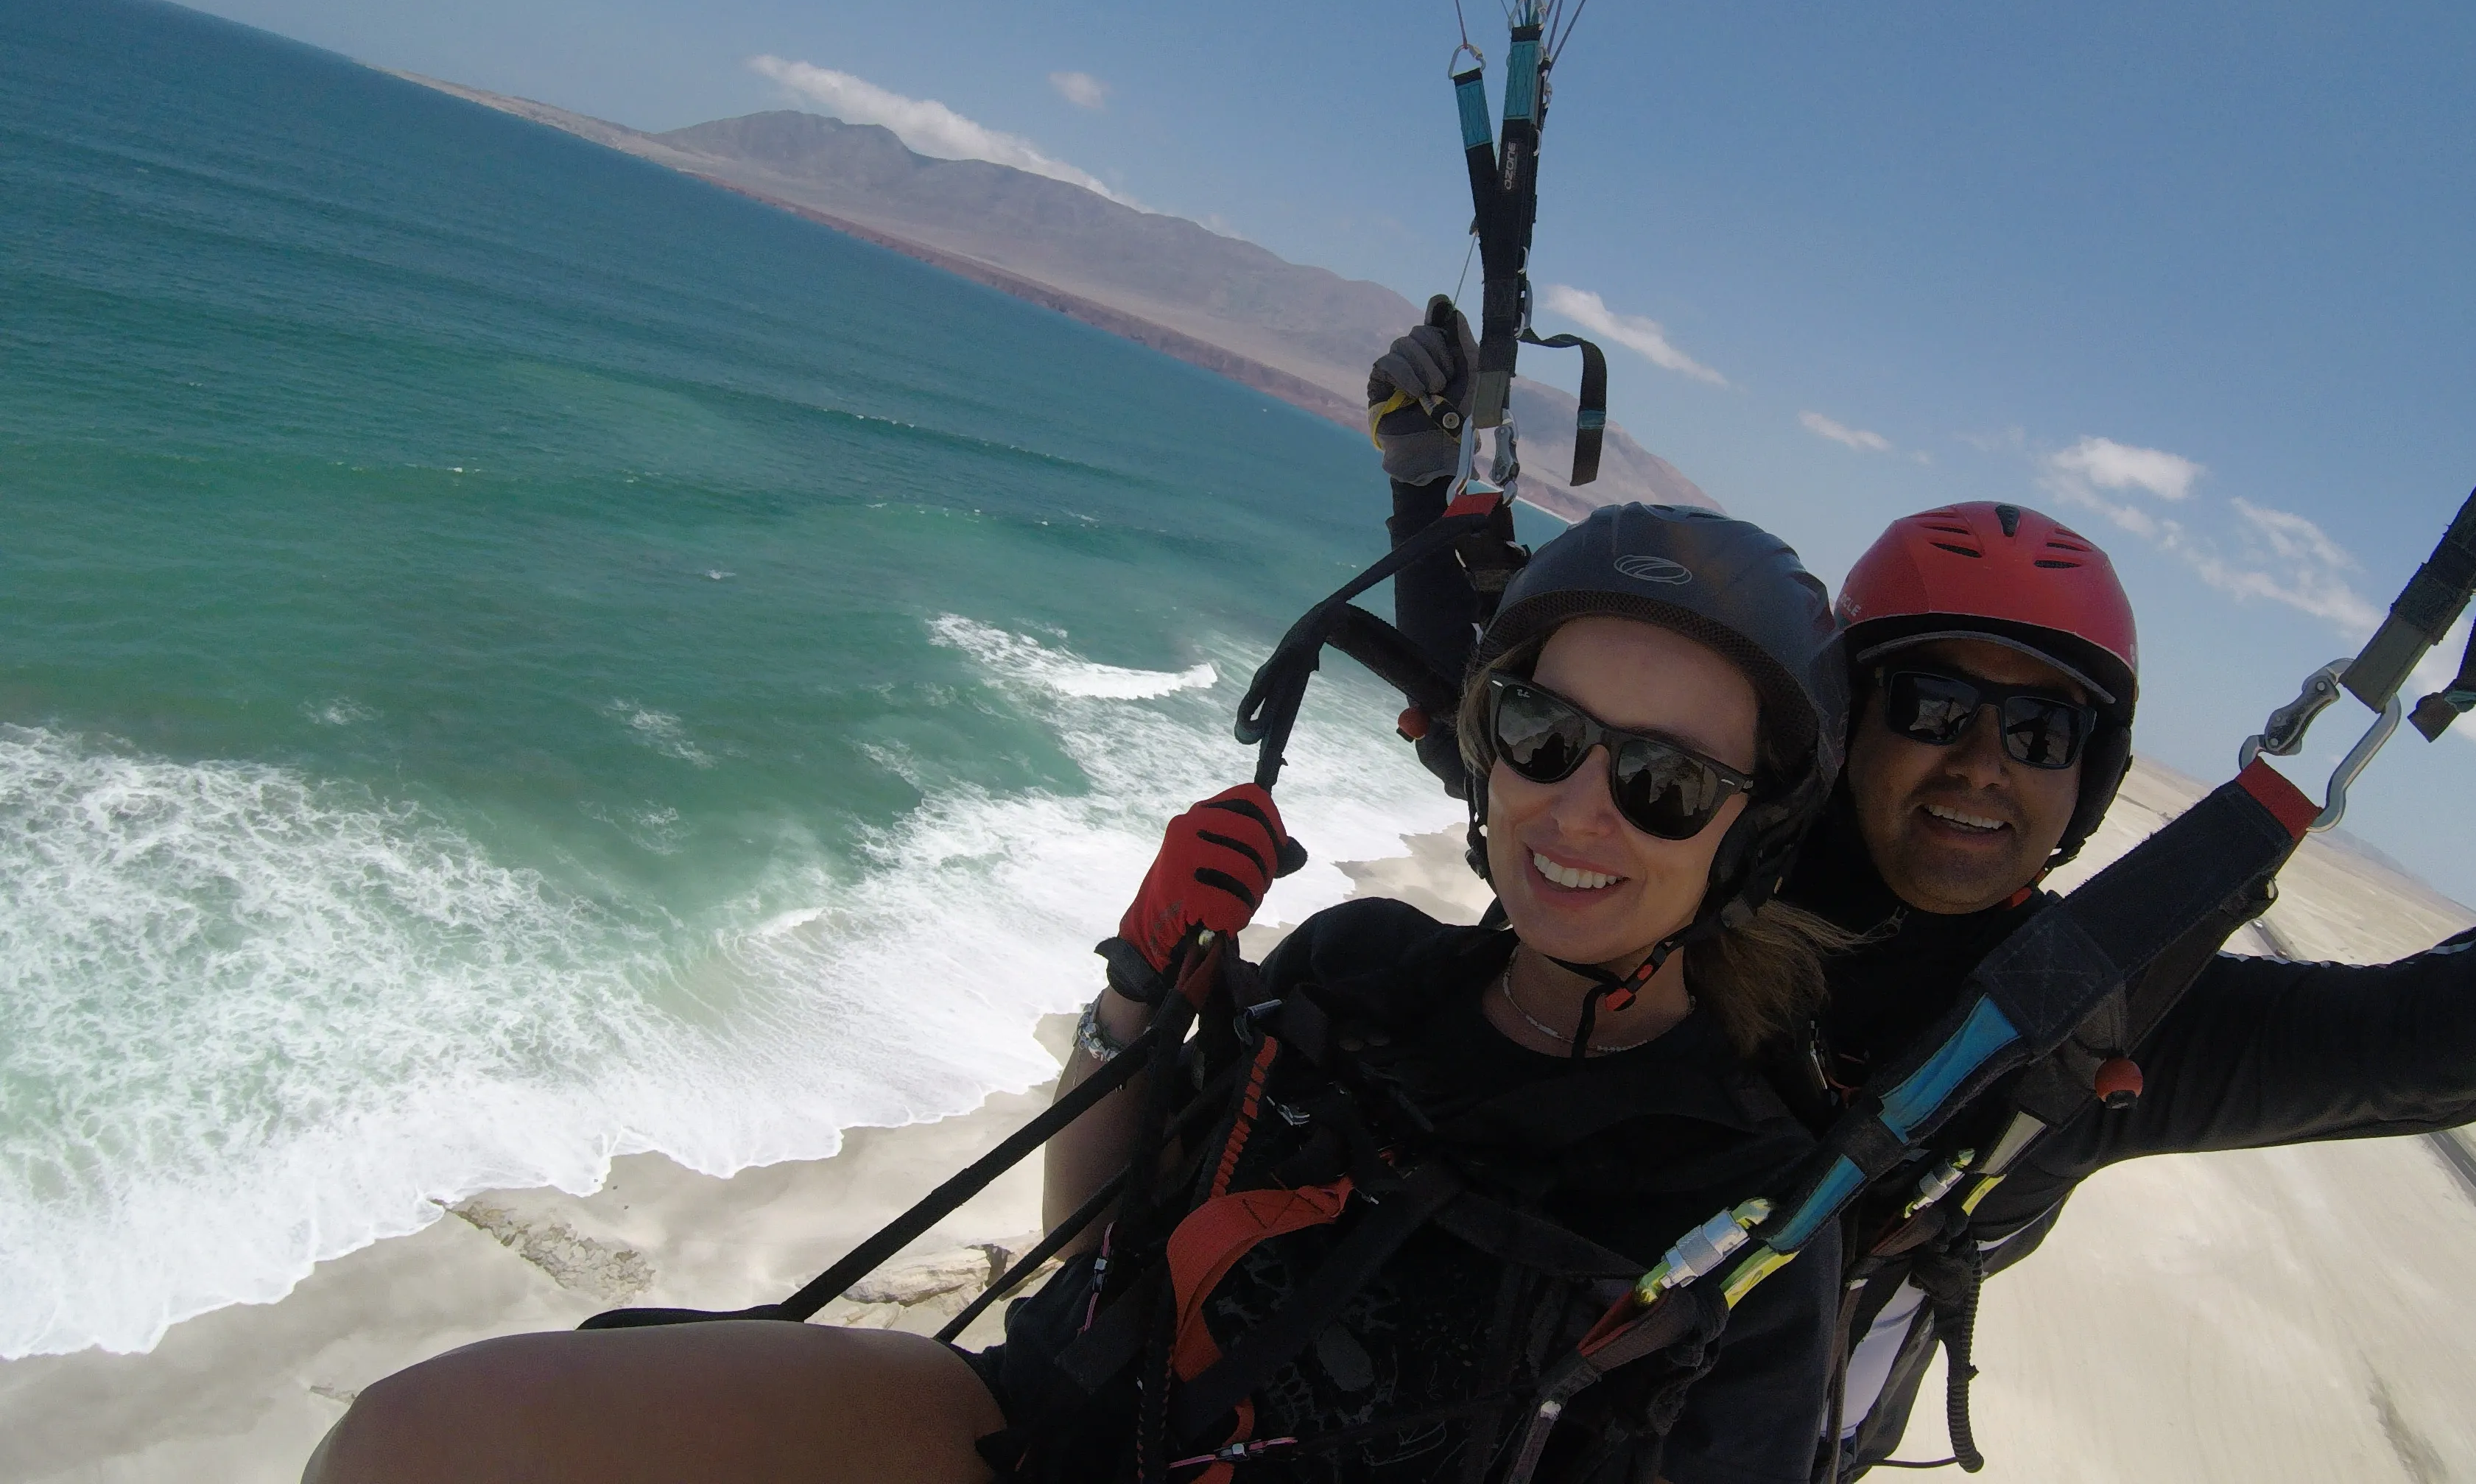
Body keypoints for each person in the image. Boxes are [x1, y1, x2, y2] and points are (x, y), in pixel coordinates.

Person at [1362, 314, 2476, 1471]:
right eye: (1931, 707)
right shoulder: (1691, 841)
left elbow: (2430, 1043)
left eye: (2043, 731)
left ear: (2089, 783)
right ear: (1841, 725)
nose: (1981, 769)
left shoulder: (2098, 1015)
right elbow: (1493, 721)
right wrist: (1418, 472)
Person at [306, 503, 1862, 1484]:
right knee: (420, 1444)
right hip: (1040, 1422)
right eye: (1541, 733)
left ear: (1751, 836)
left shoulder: (1743, 1202)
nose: (1579, 808)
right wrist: (1137, 996)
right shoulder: (1358, 968)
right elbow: (1103, 1231)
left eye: (1662, 783)